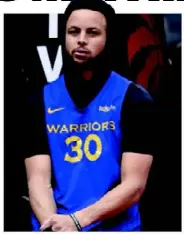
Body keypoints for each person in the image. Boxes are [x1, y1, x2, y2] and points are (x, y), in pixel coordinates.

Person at [23, 0, 155, 231]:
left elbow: (134, 185)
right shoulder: (39, 101)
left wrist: (77, 222)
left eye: (92, 32)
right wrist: (54, 226)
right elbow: (37, 180)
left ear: (108, 38)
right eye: (73, 31)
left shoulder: (134, 100)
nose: (81, 39)